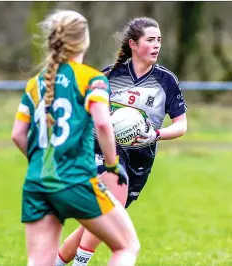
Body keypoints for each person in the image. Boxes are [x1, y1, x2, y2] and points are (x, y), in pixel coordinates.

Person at [11, 10, 140, 266]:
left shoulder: (36, 83)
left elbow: (17, 135)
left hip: (38, 182)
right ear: (84, 40)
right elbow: (103, 123)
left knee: (39, 260)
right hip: (77, 180)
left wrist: (42, 164)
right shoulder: (92, 79)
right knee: (126, 246)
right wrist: (113, 164)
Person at [55, 16, 188, 266]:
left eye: (159, 39)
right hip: (104, 152)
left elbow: (182, 126)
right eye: (150, 40)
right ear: (133, 45)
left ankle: (57, 262)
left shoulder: (166, 81)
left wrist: (155, 134)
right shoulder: (108, 76)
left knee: (102, 219)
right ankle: (81, 263)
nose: (157, 45)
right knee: (106, 209)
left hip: (141, 158)